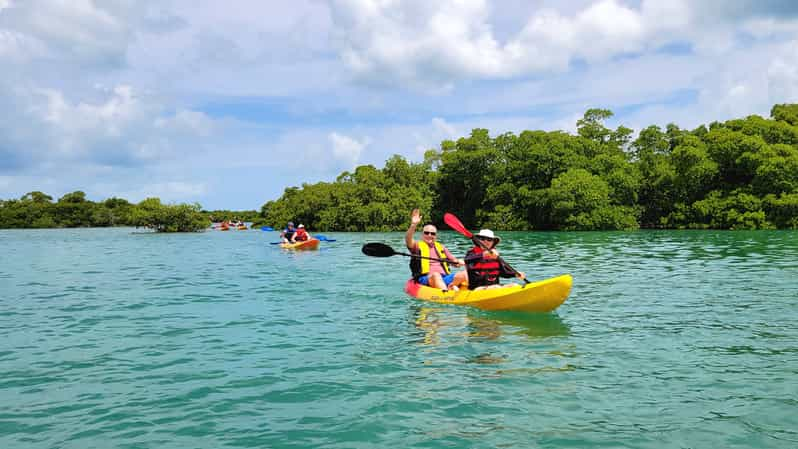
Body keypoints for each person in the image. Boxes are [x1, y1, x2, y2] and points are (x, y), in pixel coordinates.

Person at [405, 209, 465, 291]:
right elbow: (408, 240)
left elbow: (454, 262)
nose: (429, 235)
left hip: (445, 277)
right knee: (436, 275)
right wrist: (413, 225)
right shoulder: (417, 246)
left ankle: (456, 287)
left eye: (432, 233)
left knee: (464, 273)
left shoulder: (441, 247)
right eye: (426, 233)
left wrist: (459, 262)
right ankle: (447, 294)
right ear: (422, 234)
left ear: (436, 236)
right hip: (426, 278)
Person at [455, 229, 525, 290]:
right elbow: (467, 260)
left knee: (515, 286)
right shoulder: (472, 254)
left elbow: (503, 273)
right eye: (482, 239)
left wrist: (515, 274)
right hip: (477, 289)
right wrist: (483, 254)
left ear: (493, 242)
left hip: (495, 287)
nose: (486, 241)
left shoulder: (495, 255)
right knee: (496, 288)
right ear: (478, 241)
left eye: (489, 239)